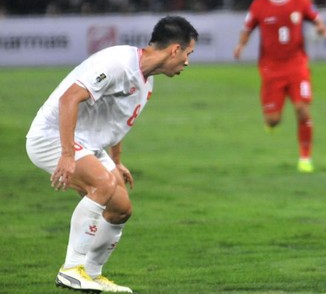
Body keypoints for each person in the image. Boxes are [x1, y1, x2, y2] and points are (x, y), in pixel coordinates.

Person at [26, 16, 198, 292]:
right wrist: (68, 155)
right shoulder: (118, 63)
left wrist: (116, 161)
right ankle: (71, 269)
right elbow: (69, 98)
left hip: (87, 144)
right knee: (102, 185)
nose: (187, 62)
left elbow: (114, 122)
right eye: (188, 53)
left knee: (121, 209)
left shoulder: (147, 82)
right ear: (175, 49)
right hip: (52, 135)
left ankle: (92, 274)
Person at [233, 0, 326, 173]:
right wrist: (240, 45)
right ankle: (270, 122)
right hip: (271, 68)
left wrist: (322, 28)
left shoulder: (301, 2)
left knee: (302, 110)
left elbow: (317, 18)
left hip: (297, 64)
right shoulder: (258, 5)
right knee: (273, 120)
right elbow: (247, 28)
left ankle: (305, 158)